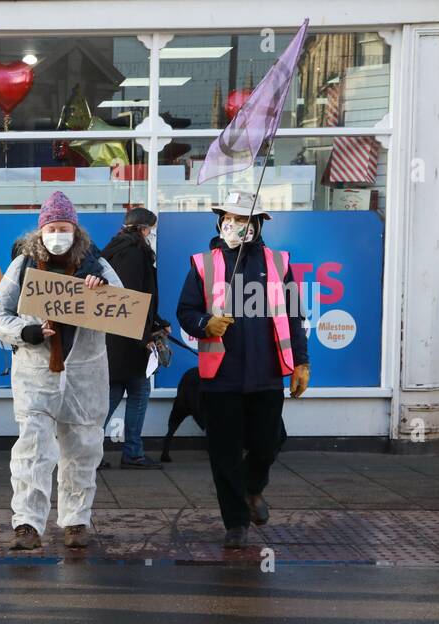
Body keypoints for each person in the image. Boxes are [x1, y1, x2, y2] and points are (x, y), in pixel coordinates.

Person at [0, 190, 122, 551]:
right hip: (36, 373)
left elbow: (124, 309)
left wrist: (102, 292)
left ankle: (76, 520)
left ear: (76, 230)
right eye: (52, 227)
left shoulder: (98, 265)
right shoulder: (24, 265)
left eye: (64, 227)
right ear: (41, 230)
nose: (58, 234)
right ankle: (27, 524)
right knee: (32, 450)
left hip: (85, 376)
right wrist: (25, 332)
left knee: (83, 448)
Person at [176, 190, 310, 549]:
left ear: (258, 224)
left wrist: (301, 362)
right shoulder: (203, 263)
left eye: (242, 219)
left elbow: (295, 315)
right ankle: (235, 521)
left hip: (267, 373)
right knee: (224, 452)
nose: (233, 225)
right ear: (219, 222)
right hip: (221, 375)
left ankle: (253, 489)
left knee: (268, 442)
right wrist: (207, 323)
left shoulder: (279, 263)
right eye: (228, 218)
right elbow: (185, 311)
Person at [101, 207, 170, 469]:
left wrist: (158, 323)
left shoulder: (117, 249)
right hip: (129, 340)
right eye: (150, 229)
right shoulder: (133, 253)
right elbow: (130, 299)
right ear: (143, 229)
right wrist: (145, 336)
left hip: (117, 338)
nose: (151, 234)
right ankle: (132, 453)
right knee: (139, 391)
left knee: (114, 393)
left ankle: (89, 452)